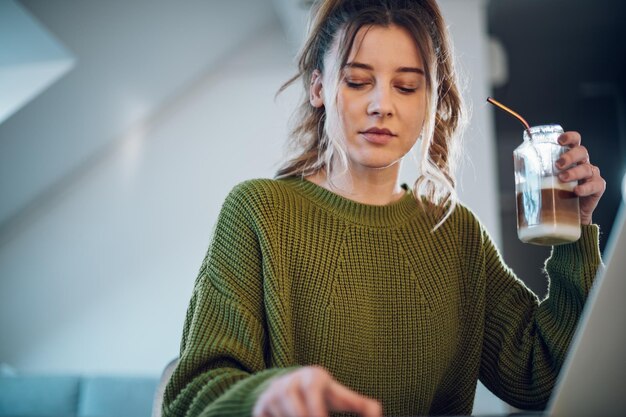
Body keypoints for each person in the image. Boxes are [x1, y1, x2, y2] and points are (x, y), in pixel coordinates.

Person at [162, 0, 606, 416]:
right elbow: (192, 391)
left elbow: (542, 374)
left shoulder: (457, 235)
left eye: (407, 86)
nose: (382, 106)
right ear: (319, 87)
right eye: (357, 81)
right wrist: (262, 396)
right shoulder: (258, 213)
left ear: (430, 100)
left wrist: (575, 230)